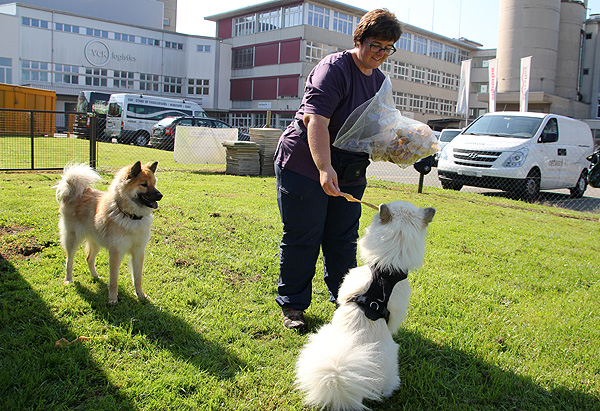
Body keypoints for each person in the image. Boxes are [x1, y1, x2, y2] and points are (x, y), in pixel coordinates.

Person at [274, 9, 402, 331]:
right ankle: (293, 308)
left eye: (388, 48)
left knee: (342, 239)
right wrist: (324, 167)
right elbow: (315, 120)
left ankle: (344, 302)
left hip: (350, 168)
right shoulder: (334, 68)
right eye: (376, 45)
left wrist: (405, 146)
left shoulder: (380, 82)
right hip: (306, 163)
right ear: (359, 39)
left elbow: (377, 129)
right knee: (305, 235)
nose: (381, 54)